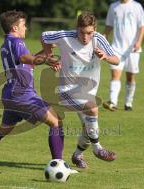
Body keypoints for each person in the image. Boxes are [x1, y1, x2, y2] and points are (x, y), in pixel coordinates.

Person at [0, 10, 64, 163]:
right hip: (22, 94)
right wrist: (46, 60)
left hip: (11, 95)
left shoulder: (7, 43)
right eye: (23, 25)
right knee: (56, 121)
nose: (26, 28)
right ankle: (59, 164)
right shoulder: (17, 42)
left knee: (3, 129)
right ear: (15, 28)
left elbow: (27, 62)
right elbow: (24, 57)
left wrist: (46, 53)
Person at [41, 11, 120, 169]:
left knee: (88, 126)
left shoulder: (98, 39)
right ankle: (98, 149)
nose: (85, 37)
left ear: (95, 29)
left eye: (89, 33)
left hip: (88, 91)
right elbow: (44, 36)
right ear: (77, 28)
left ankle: (77, 155)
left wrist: (105, 56)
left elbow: (116, 60)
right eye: (82, 32)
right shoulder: (65, 36)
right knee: (92, 108)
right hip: (66, 90)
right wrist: (49, 56)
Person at [103, 0, 144, 111]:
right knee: (115, 74)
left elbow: (142, 26)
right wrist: (104, 37)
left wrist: (138, 42)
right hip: (116, 48)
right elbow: (109, 25)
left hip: (132, 49)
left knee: (130, 77)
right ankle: (112, 102)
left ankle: (128, 103)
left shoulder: (136, 6)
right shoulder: (113, 6)